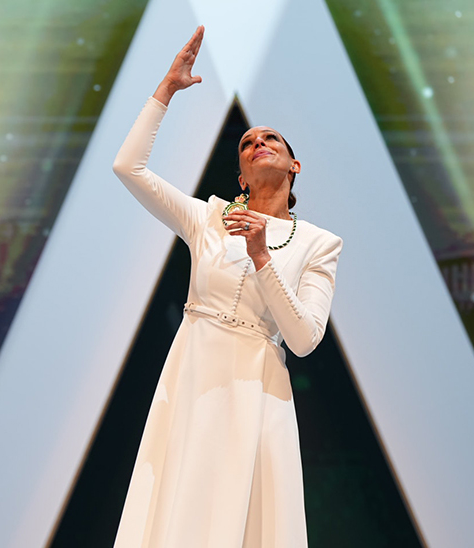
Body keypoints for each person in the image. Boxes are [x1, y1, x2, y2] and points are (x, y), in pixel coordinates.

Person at [112, 26, 342, 547]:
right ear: (240, 175)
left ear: (293, 164)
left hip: (257, 390)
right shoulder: (208, 218)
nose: (257, 143)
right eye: (246, 143)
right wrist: (164, 92)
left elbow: (304, 339)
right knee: (179, 506)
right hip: (194, 373)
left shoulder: (319, 243)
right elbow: (129, 167)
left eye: (270, 140)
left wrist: (262, 256)